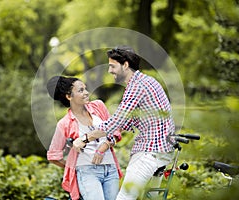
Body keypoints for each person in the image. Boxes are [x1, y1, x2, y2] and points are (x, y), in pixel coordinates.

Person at [73, 46, 175, 199]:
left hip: (150, 151)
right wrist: (109, 130)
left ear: (125, 65)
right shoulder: (146, 82)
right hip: (163, 151)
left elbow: (115, 123)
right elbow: (126, 123)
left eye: (112, 66)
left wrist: (85, 138)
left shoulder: (136, 86)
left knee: (125, 197)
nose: (110, 71)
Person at [46, 76, 123, 200]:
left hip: (110, 168)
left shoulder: (98, 106)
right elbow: (53, 156)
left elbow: (115, 132)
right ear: (69, 96)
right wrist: (72, 166)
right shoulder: (64, 123)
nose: (87, 93)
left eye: (85, 89)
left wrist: (105, 146)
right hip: (87, 172)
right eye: (81, 90)